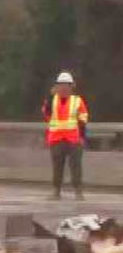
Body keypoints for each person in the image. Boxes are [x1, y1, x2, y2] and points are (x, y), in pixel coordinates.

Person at [43, 71, 91, 201]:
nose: (63, 88)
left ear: (71, 87)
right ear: (56, 87)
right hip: (56, 138)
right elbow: (46, 114)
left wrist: (82, 137)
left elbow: (83, 118)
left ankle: (78, 191)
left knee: (76, 165)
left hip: (73, 138)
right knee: (57, 166)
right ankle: (56, 191)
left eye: (66, 85)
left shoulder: (77, 101)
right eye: (61, 85)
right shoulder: (52, 100)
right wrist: (49, 97)